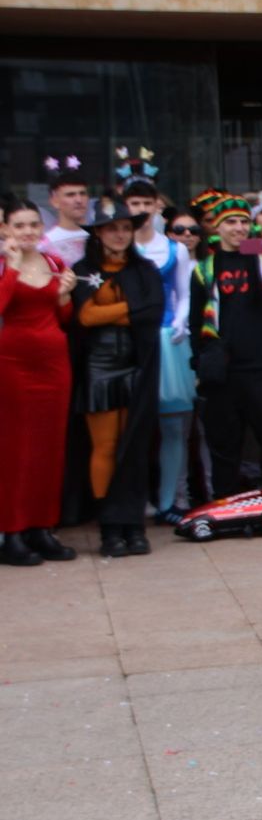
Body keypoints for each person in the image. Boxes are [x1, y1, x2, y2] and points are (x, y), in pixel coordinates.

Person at [189, 194, 262, 500]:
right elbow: (195, 323)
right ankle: (224, 504)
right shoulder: (205, 267)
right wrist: (200, 365)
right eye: (231, 222)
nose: (238, 228)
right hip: (223, 372)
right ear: (216, 226)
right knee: (225, 445)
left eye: (243, 221)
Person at [71, 199, 164, 557]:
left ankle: (133, 524)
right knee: (106, 447)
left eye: (126, 228)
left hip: (139, 363)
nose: (120, 234)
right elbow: (86, 318)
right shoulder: (82, 269)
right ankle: (110, 526)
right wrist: (133, 308)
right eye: (112, 228)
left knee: (136, 445)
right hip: (99, 365)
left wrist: (112, 310)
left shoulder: (146, 271)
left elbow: (153, 313)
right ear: (98, 232)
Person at [0, 199, 76, 566]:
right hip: (13, 365)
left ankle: (42, 528)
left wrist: (64, 296)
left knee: (51, 447)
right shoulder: (3, 265)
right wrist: (12, 270)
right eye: (20, 226)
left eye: (33, 224)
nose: (28, 231)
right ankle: (11, 533)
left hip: (54, 364)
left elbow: (62, 315)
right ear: (6, 230)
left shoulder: (54, 262)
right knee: (16, 451)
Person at [124, 178, 195, 526]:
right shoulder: (118, 249)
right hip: (130, 343)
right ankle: (134, 501)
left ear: (156, 207)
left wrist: (180, 322)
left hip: (168, 341)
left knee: (173, 427)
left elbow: (184, 294)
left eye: (145, 204)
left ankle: (169, 500)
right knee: (131, 428)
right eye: (133, 205)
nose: (140, 211)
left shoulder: (175, 249)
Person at [42, 158, 91, 267]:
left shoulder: (101, 237)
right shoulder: (44, 245)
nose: (79, 200)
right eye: (70, 195)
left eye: (82, 194)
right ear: (54, 201)